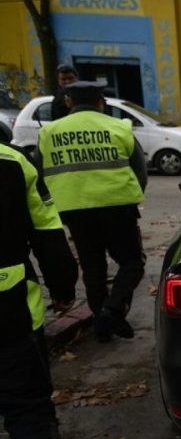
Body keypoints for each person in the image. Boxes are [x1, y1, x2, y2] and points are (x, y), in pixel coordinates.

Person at [1, 142, 79, 439]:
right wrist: (63, 288)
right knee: (28, 411)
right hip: (10, 313)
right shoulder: (14, 162)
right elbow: (48, 233)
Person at [37, 80, 147, 343]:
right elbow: (140, 170)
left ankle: (102, 326)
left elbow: (39, 175)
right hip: (118, 207)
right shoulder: (119, 127)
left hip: (75, 211)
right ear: (101, 102)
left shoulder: (49, 132)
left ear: (68, 101)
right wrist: (132, 198)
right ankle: (113, 309)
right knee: (132, 262)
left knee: (93, 267)